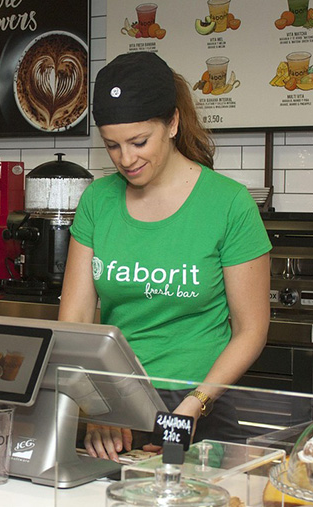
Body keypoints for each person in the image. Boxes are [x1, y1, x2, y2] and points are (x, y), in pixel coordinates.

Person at [58, 52, 272, 460]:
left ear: (172, 123)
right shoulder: (97, 201)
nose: (126, 159)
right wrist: (95, 402)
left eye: (139, 142)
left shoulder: (229, 204)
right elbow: (75, 322)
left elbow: (251, 331)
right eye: (112, 146)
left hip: (201, 403)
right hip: (117, 406)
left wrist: (195, 405)